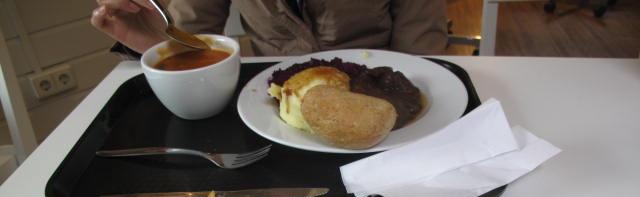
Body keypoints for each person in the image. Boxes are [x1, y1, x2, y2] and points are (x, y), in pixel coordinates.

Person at [91, 0, 449, 56]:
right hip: (267, 115)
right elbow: (193, 43)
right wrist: (160, 44)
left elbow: (423, 59)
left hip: (384, 112)